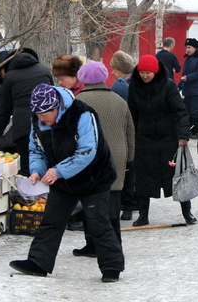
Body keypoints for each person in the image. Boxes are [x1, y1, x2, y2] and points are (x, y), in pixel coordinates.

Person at [9, 84, 125, 283]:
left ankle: (112, 267)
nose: (42, 119)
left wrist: (58, 170)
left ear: (57, 108)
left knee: (98, 222)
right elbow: (36, 149)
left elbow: (87, 151)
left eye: (46, 114)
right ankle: (38, 263)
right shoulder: (37, 120)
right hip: (63, 181)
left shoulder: (83, 114)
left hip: (94, 178)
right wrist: (37, 170)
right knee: (51, 220)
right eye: (38, 115)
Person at [74, 61, 135, 257]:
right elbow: (130, 134)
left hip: (90, 159)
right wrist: (129, 160)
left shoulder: (79, 101)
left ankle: (92, 244)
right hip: (117, 156)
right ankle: (115, 243)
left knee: (90, 204)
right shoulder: (119, 100)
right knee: (113, 204)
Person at [128, 54, 195, 226]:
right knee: (143, 178)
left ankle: (187, 212)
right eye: (142, 72)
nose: (145, 76)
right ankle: (143, 214)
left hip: (168, 138)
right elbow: (132, 114)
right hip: (144, 139)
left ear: (156, 72)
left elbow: (180, 112)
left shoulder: (168, 86)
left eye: (148, 73)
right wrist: (132, 135)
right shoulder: (134, 87)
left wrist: (183, 135)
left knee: (177, 176)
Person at [0, 48, 53, 176]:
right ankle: (45, 193)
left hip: (22, 128)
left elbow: (4, 111)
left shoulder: (10, 76)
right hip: (45, 124)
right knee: (47, 162)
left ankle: (28, 194)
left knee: (26, 166)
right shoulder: (44, 70)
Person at [108, 50, 138, 220]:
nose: (112, 72)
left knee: (127, 168)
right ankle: (129, 202)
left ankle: (128, 203)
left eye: (114, 69)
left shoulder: (121, 87)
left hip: (126, 131)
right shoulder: (130, 83)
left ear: (121, 70)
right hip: (130, 131)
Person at [180, 38, 198, 138]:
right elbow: (184, 74)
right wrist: (179, 86)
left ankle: (196, 130)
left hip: (197, 91)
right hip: (188, 90)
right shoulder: (189, 59)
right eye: (186, 47)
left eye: (189, 47)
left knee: (195, 111)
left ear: (195, 48)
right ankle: (189, 129)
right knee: (187, 111)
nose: (187, 50)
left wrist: (188, 78)